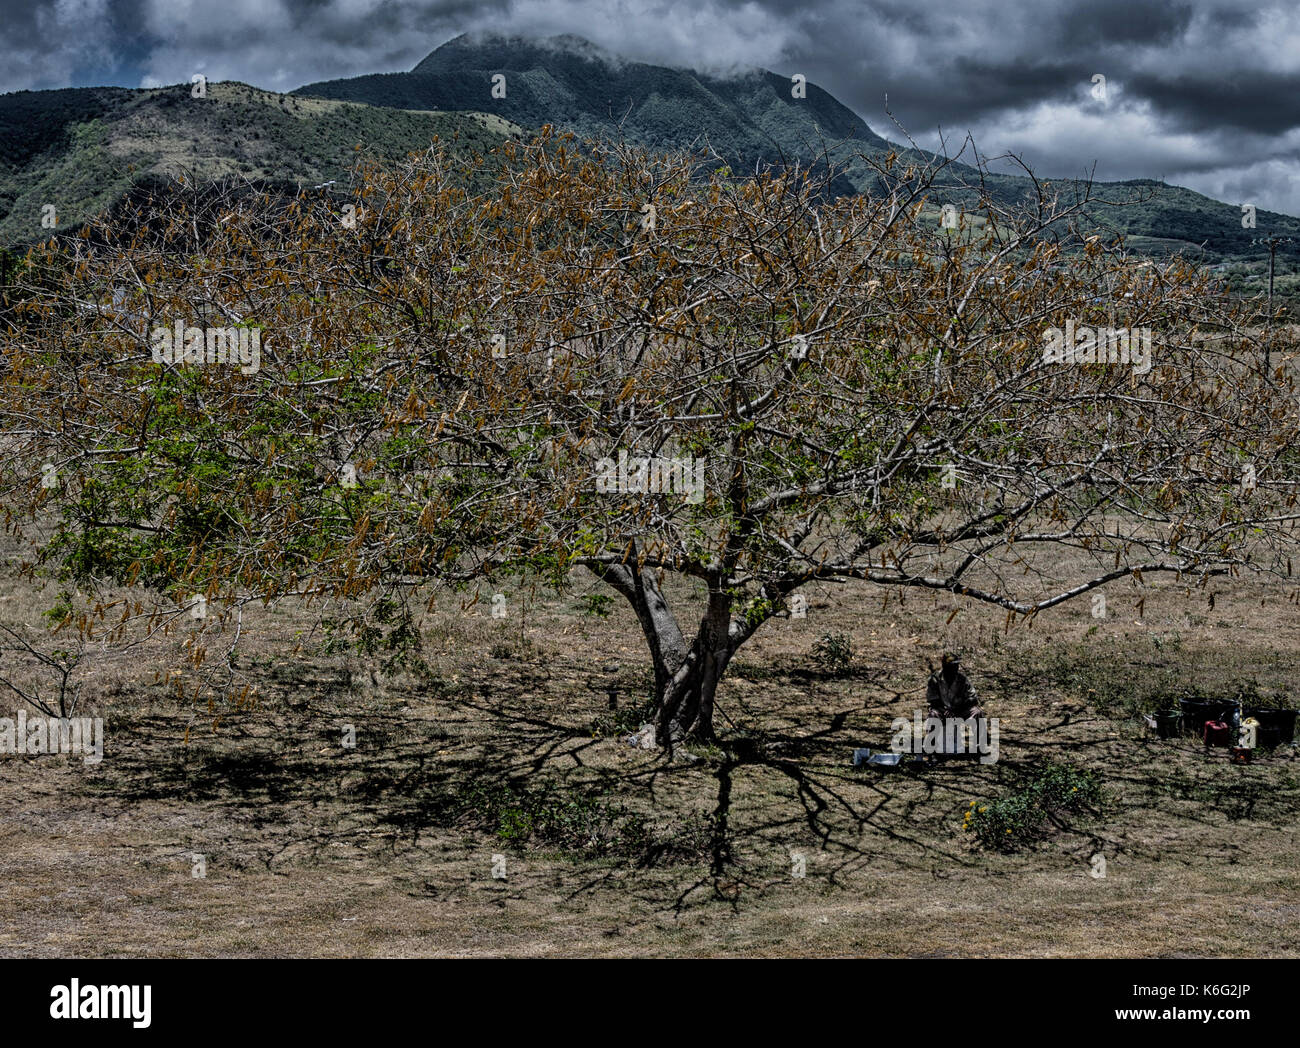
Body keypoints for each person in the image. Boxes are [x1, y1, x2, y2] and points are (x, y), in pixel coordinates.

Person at [926, 652, 984, 722]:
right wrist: (946, 711)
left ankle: (980, 733)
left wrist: (957, 709)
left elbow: (973, 699)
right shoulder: (935, 679)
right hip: (943, 712)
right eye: (952, 666)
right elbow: (933, 701)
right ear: (945, 666)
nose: (956, 668)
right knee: (933, 714)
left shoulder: (962, 679)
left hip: (960, 710)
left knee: (977, 712)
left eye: (956, 665)